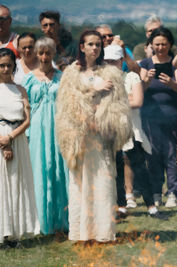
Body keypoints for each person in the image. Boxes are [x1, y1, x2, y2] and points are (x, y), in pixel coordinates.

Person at [56, 30, 132, 242]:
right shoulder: (71, 73)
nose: (94, 48)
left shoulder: (111, 73)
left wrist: (104, 123)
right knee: (80, 184)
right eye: (90, 44)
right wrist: (92, 88)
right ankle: (81, 232)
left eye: (98, 44)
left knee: (103, 183)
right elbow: (66, 104)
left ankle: (102, 232)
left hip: (100, 137)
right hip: (80, 138)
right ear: (82, 46)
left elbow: (119, 106)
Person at [103, 44, 167, 220]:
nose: (110, 65)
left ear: (121, 61)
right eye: (107, 61)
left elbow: (138, 101)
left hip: (132, 129)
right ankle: (121, 206)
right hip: (111, 130)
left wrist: (113, 101)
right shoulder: (102, 80)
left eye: (113, 61)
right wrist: (126, 99)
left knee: (139, 168)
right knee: (116, 170)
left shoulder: (131, 77)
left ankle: (151, 207)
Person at [21, 37, 69, 235]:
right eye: (40, 53)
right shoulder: (29, 79)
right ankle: (41, 221)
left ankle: (62, 220)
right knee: (39, 171)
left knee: (60, 172)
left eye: (47, 52)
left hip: (58, 128)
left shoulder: (62, 77)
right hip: (38, 130)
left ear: (53, 54)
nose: (44, 57)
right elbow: (25, 108)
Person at [140, 27, 177, 208]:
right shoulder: (145, 64)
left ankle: (172, 192)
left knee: (171, 155)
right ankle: (156, 192)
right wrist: (147, 81)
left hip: (172, 116)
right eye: (157, 44)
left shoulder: (176, 63)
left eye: (164, 44)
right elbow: (139, 90)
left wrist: (171, 82)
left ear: (170, 45)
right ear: (151, 45)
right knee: (153, 156)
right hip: (150, 117)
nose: (160, 48)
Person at [0, 48, 39, 248]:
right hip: (0, 138)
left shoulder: (20, 90)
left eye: (9, 65)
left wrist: (11, 137)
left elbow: (27, 119)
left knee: (16, 185)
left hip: (17, 137)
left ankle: (14, 234)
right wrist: (3, 141)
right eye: (2, 65)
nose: (6, 69)